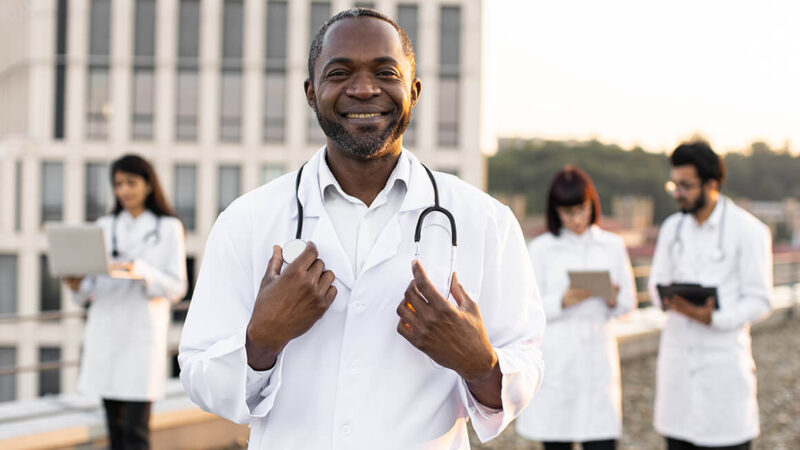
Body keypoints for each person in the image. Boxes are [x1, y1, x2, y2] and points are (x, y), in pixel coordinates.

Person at [178, 8, 545, 449]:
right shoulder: (247, 221)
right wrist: (261, 341)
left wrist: (479, 363)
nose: (364, 88)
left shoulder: (485, 222)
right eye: (340, 72)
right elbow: (198, 372)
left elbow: (526, 362)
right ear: (312, 93)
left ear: (414, 90)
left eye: (385, 72)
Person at [648, 140, 773, 450]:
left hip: (723, 372)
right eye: (674, 184)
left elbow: (760, 300)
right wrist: (668, 297)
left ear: (712, 184)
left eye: (686, 186)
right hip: (678, 371)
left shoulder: (749, 231)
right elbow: (654, 286)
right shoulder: (671, 229)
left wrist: (713, 317)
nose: (678, 192)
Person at [62, 154, 187, 449]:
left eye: (131, 182)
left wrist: (141, 272)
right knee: (114, 433)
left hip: (141, 340)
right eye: (118, 184)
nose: (124, 190)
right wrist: (77, 284)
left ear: (147, 185)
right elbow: (88, 293)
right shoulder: (104, 226)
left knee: (136, 433)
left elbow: (177, 288)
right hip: (106, 334)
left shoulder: (168, 228)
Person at [515, 166, 636, 450]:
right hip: (559, 359)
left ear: (592, 204)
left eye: (581, 209)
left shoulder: (612, 246)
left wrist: (612, 300)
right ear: (555, 212)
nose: (577, 218)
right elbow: (525, 309)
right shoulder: (542, 249)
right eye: (568, 212)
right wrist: (562, 300)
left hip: (598, 358)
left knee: (602, 440)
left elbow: (629, 305)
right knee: (557, 440)